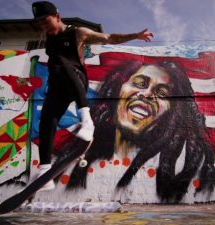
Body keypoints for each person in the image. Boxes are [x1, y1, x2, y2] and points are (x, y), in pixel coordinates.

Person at [64, 53, 215, 203]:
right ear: (118, 89)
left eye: (162, 93)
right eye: (139, 83)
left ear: (170, 112)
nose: (147, 94)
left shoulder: (165, 161)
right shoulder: (79, 151)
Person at [31, 1, 154, 191]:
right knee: (47, 119)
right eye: (40, 24)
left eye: (46, 22)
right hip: (58, 86)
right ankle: (46, 171)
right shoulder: (48, 37)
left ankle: (87, 121)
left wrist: (135, 35)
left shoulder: (78, 32)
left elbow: (109, 37)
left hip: (77, 81)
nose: (44, 27)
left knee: (58, 59)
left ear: (58, 16)